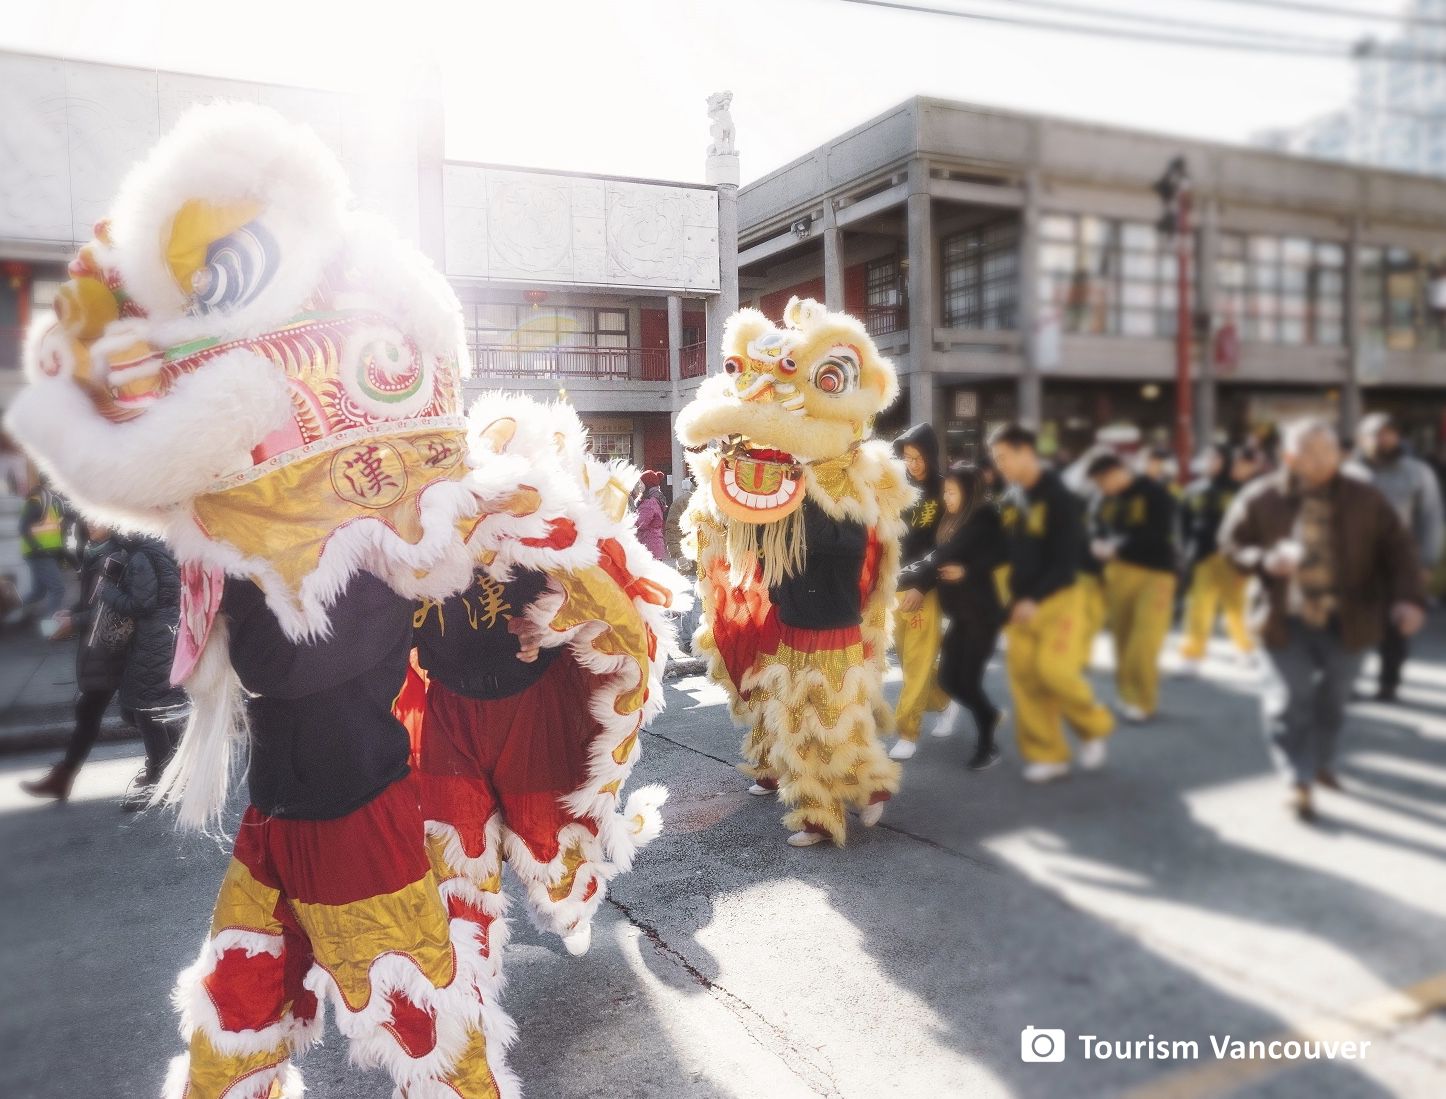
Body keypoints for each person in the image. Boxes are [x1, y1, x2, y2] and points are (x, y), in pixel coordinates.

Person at [165, 572, 511, 1097]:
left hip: (359, 827)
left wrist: (232, 571)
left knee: (424, 1026)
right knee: (235, 1009)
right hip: (275, 815)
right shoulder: (303, 555)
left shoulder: (375, 573)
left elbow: (277, 664)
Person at [1219, 419, 1427, 822]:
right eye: (1310, 452)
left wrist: (1409, 599)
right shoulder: (1260, 496)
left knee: (1333, 701)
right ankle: (1297, 780)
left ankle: (1321, 762)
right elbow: (1230, 545)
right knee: (1287, 700)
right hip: (1284, 617)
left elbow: (1399, 550)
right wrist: (1262, 560)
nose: (1321, 461)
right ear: (1287, 456)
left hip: (1350, 617)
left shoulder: (1366, 498)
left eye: (1329, 452)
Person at [989, 424, 1114, 783]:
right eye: (996, 460)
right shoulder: (1012, 499)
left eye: (1004, 457)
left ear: (1027, 452)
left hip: (1060, 598)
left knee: (1054, 671)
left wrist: (1035, 598)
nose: (1001, 466)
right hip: (1021, 602)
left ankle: (1094, 727)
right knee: (1025, 678)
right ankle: (1049, 753)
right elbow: (1003, 550)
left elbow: (1067, 558)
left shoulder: (1060, 497)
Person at [898, 463, 1008, 770]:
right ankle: (989, 715)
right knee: (949, 678)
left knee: (967, 681)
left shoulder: (983, 517)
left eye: (951, 491)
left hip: (982, 615)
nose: (945, 496)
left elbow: (997, 552)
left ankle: (988, 743)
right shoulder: (950, 520)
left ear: (969, 491)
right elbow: (940, 556)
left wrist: (966, 570)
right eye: (944, 490)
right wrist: (921, 577)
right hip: (960, 615)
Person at [20, 521, 129, 801]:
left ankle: (165, 767)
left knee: (136, 713)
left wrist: (74, 621)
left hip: (114, 648)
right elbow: (92, 599)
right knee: (94, 711)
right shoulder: (96, 551)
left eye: (98, 518)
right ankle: (64, 777)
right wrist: (69, 613)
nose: (91, 524)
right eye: (88, 517)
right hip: (100, 648)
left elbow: (115, 608)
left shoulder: (116, 555)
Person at [1351, 413, 1444, 702]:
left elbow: (1430, 519)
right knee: (1349, 625)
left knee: (1395, 628)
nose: (1383, 439)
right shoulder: (1346, 473)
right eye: (1375, 433)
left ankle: (1388, 682)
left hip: (1399, 564)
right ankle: (1347, 681)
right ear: (1361, 438)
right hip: (1354, 561)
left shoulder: (1418, 473)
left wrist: (1425, 562)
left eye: (1389, 433)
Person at [94, 533, 188, 810]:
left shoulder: (142, 557)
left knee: (148, 709)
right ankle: (170, 771)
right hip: (167, 634)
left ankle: (162, 780)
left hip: (153, 639)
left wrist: (108, 592)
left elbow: (141, 604)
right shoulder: (162, 548)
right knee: (159, 705)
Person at [1088, 452, 1179, 722]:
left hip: (1156, 574)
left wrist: (1119, 546)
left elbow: (1159, 532)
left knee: (1145, 641)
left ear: (1116, 472)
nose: (1101, 488)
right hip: (1117, 573)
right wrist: (1098, 543)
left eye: (1102, 482)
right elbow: (1096, 527)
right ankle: (1128, 695)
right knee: (1122, 640)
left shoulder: (1155, 493)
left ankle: (1143, 700)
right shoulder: (1104, 499)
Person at [891, 422, 951, 760]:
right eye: (907, 458)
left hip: (924, 589)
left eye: (918, 457)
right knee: (908, 659)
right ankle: (944, 701)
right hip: (895, 586)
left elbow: (945, 544)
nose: (913, 464)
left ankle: (907, 732)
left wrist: (923, 584)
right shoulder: (900, 490)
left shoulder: (945, 491)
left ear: (931, 455)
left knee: (916, 660)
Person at [1178, 444, 1262, 673]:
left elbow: (1251, 523)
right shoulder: (1193, 489)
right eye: (1206, 458)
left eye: (1215, 458)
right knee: (1197, 607)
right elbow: (1183, 523)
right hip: (1201, 556)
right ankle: (1192, 655)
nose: (1210, 462)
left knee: (1236, 607)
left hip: (1232, 557)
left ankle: (1245, 649)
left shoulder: (1241, 489)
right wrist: (1185, 550)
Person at [19, 478, 71, 631]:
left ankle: (14, 614)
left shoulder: (48, 500)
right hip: (39, 555)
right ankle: (51, 629)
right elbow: (23, 527)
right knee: (58, 589)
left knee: (38, 592)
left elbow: (51, 529)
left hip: (43, 554)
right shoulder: (36, 501)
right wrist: (39, 548)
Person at [634, 470, 669, 559]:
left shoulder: (649, 503)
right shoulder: (656, 499)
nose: (639, 486)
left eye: (641, 483)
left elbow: (640, 523)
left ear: (647, 485)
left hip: (648, 546)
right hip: (655, 545)